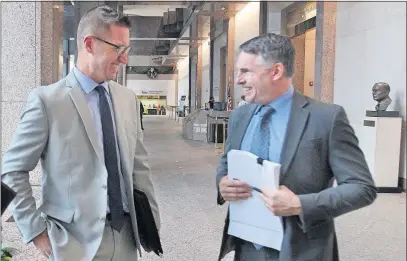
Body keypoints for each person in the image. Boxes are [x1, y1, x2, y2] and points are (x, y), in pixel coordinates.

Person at [1, 6, 160, 261]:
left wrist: (152, 226)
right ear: (89, 44)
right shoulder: (47, 101)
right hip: (72, 244)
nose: (124, 59)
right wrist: (36, 231)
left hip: (127, 239)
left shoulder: (128, 99)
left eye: (126, 49)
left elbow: (139, 169)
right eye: (118, 49)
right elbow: (11, 171)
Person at [216, 33, 377, 261]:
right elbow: (226, 162)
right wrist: (222, 183)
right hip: (247, 248)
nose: (238, 80)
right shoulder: (240, 116)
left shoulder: (326, 118)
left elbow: (362, 188)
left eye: (246, 71)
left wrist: (301, 204)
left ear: (276, 71)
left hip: (302, 250)